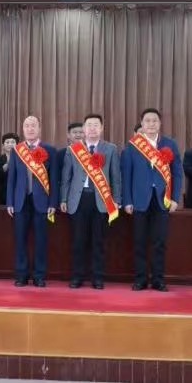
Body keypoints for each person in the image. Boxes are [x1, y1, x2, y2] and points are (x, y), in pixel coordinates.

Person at [121, 109, 183, 291]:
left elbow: (177, 173)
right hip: (139, 200)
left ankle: (158, 279)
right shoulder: (132, 146)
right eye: (147, 121)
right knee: (139, 242)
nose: (151, 124)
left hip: (163, 199)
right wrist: (127, 201)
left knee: (160, 242)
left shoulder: (170, 144)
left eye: (154, 120)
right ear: (142, 124)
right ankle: (140, 279)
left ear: (160, 123)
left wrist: (175, 198)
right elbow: (127, 176)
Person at [60, 114, 122, 290]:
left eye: (96, 125)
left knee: (99, 241)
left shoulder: (110, 149)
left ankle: (98, 278)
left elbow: (116, 177)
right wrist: (63, 198)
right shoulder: (73, 150)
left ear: (101, 128)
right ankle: (77, 277)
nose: (92, 128)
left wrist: (117, 199)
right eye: (89, 125)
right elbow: (66, 177)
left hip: (102, 199)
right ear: (84, 129)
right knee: (78, 241)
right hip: (78, 200)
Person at [6, 116, 56, 287]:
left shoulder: (49, 150)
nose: (30, 129)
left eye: (33, 125)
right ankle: (21, 275)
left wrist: (53, 203)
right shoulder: (17, 150)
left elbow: (53, 179)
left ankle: (39, 275)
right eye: (27, 126)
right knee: (20, 240)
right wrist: (10, 202)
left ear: (39, 128)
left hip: (42, 201)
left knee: (41, 240)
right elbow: (11, 178)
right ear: (23, 129)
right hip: (20, 201)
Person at [0, 133, 18, 205]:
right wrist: (3, 169)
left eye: (13, 142)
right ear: (3, 145)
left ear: (17, 145)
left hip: (17, 193)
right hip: (1, 194)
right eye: (7, 142)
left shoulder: (21, 159)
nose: (10, 144)